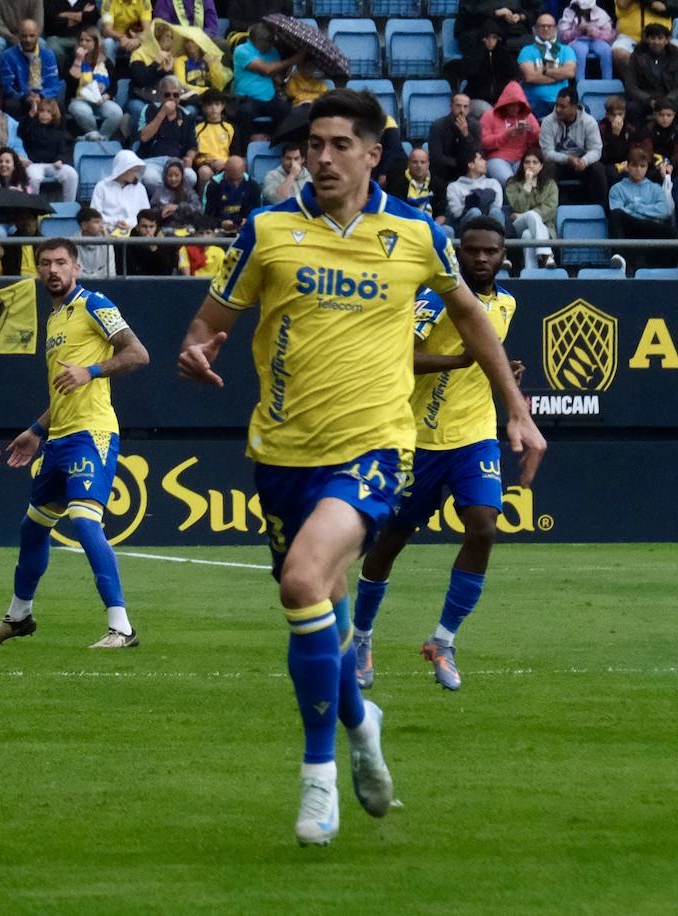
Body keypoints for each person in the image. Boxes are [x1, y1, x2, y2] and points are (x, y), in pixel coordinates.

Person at [177, 89, 544, 847]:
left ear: (374, 153)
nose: (323, 156)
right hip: (281, 451)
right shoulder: (267, 230)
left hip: (377, 445)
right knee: (323, 610)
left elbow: (473, 314)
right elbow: (211, 321)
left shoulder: (414, 232)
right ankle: (360, 722)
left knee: (303, 580)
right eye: (315, 144)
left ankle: (318, 776)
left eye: (341, 144)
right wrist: (195, 349)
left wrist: (517, 408)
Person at [352, 216, 522, 693]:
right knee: (389, 542)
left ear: (504, 255)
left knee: (484, 527)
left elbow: (484, 358)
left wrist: (502, 371)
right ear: (457, 253)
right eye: (473, 251)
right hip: (417, 438)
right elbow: (398, 356)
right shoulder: (433, 299)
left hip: (474, 435)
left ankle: (443, 640)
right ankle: (362, 638)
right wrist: (458, 360)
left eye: (491, 251)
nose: (482, 259)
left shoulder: (507, 303)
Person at [0, 236, 147, 647]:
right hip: (59, 438)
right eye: (46, 263)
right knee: (32, 528)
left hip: (93, 432)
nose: (53, 270)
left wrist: (91, 370)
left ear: (76, 267)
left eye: (61, 263)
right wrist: (37, 430)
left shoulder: (94, 304)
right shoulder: (54, 319)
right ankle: (18, 618)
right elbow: (63, 389)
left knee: (85, 521)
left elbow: (138, 354)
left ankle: (121, 626)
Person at [609, 145, 678, 273]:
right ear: (627, 166)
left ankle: (665, 270)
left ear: (647, 167)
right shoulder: (616, 188)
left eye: (642, 166)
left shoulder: (655, 188)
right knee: (616, 215)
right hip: (630, 227)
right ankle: (619, 257)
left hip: (649, 226)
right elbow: (617, 209)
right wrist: (648, 210)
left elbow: (665, 210)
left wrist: (634, 207)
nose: (638, 170)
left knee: (677, 235)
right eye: (635, 165)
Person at [231, 22, 299, 139]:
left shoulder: (273, 52)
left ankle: (280, 143)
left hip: (270, 98)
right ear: (258, 40)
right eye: (268, 41)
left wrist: (285, 73)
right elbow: (266, 69)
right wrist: (294, 60)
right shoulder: (241, 51)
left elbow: (275, 75)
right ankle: (244, 150)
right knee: (244, 112)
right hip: (247, 99)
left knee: (286, 110)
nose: (271, 44)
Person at [540, 87, 606, 205]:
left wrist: (584, 161)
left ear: (575, 107)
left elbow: (596, 150)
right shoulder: (548, 122)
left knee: (598, 168)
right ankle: (549, 208)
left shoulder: (589, 122)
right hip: (559, 163)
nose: (558, 109)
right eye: (557, 105)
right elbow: (547, 153)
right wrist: (568, 159)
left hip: (581, 164)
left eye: (563, 107)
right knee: (548, 167)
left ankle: (600, 209)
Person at [135, 74, 197, 192]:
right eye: (167, 95)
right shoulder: (149, 109)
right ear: (160, 94)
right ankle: (163, 204)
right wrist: (162, 113)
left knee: (191, 176)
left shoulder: (186, 115)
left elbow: (192, 145)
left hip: (176, 161)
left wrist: (189, 158)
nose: (171, 98)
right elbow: (144, 137)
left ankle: (175, 204)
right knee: (151, 179)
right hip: (152, 160)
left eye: (176, 95)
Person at [624, 23, 678, 125]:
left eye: (660, 38)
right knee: (632, 109)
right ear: (646, 39)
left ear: (666, 40)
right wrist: (649, 100)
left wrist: (667, 101)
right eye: (652, 38)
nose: (656, 42)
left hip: (669, 98)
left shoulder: (676, 57)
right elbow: (631, 86)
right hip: (646, 99)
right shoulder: (636, 57)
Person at [504, 148, 557, 270]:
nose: (530, 165)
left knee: (527, 235)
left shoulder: (550, 185)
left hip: (545, 227)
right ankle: (546, 254)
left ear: (541, 166)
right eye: (527, 162)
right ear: (522, 165)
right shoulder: (513, 183)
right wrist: (527, 184)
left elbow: (550, 209)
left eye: (535, 162)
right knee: (531, 216)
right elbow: (518, 207)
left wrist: (524, 214)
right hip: (518, 225)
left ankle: (530, 272)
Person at [479, 81, 540, 187]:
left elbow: (538, 141)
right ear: (505, 104)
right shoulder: (489, 116)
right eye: (512, 105)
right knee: (508, 181)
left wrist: (531, 133)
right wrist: (506, 135)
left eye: (518, 105)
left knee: (528, 180)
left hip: (521, 158)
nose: (516, 109)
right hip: (497, 158)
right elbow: (483, 143)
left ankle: (526, 202)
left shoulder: (528, 116)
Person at [17, 95, 78, 200]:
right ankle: (33, 208)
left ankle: (69, 205)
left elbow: (64, 149)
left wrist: (60, 160)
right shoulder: (31, 126)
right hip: (34, 164)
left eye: (48, 112)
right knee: (33, 178)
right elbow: (22, 132)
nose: (44, 115)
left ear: (54, 115)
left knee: (72, 174)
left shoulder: (59, 131)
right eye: (42, 111)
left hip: (53, 165)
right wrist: (31, 115)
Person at [427, 93, 481, 210]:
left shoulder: (475, 126)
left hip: (467, 172)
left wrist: (466, 135)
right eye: (458, 106)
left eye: (465, 107)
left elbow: (476, 154)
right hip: (443, 174)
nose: (462, 110)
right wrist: (460, 164)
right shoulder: (438, 126)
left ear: (469, 109)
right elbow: (436, 157)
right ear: (451, 107)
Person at [0, 18, 62, 118]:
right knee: (10, 105)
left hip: (43, 97)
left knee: (58, 105)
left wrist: (41, 96)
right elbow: (7, 86)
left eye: (32, 36)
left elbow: (53, 84)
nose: (28, 40)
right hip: (21, 98)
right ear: (18, 35)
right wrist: (25, 97)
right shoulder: (8, 56)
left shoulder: (48, 54)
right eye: (24, 36)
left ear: (38, 35)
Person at [517, 14, 575, 120]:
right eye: (542, 26)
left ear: (556, 29)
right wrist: (558, 75)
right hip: (536, 103)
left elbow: (570, 72)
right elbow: (530, 77)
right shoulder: (527, 51)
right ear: (535, 29)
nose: (546, 28)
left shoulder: (566, 50)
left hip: (562, 102)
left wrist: (544, 70)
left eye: (549, 26)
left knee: (584, 110)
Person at [67, 26, 120, 141]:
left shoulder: (106, 62)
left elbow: (114, 86)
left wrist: (106, 96)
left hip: (100, 100)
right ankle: (94, 138)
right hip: (79, 100)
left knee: (116, 112)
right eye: (81, 40)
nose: (83, 43)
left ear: (96, 43)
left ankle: (102, 138)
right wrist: (78, 60)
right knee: (84, 111)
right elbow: (70, 86)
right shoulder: (73, 58)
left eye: (87, 40)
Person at [459, 23, 521, 117]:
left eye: (494, 38)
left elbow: (515, 76)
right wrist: (482, 51)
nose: (490, 41)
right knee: (490, 113)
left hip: (501, 99)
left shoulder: (505, 56)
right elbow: (470, 75)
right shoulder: (473, 55)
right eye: (487, 38)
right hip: (477, 99)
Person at [90, 146, 148, 232]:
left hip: (133, 232)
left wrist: (128, 223)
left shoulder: (140, 188)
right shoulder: (102, 186)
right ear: (122, 169)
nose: (135, 174)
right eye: (132, 170)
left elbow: (145, 214)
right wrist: (114, 222)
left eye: (136, 170)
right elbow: (95, 214)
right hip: (106, 231)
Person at [558, 0, 614, 86]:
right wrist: (577, 30)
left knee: (606, 50)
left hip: (597, 40)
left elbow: (610, 34)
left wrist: (596, 32)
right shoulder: (568, 12)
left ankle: (608, 83)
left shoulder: (601, 12)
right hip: (577, 41)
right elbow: (563, 35)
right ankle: (580, 84)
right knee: (581, 51)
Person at [447, 149, 504, 227]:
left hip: (491, 224)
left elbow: (497, 207)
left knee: (496, 212)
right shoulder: (454, 187)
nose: (485, 162)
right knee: (475, 212)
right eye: (480, 159)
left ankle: (498, 238)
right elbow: (457, 213)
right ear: (471, 165)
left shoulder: (493, 183)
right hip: (467, 226)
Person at [202, 153, 258, 232]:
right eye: (231, 179)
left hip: (246, 229)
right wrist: (220, 224)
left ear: (244, 170)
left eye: (238, 179)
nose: (235, 183)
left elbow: (257, 213)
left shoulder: (253, 185)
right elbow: (207, 217)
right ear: (225, 170)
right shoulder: (213, 185)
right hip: (218, 231)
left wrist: (247, 221)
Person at [43, 0, 100, 70]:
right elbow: (52, 22)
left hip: (81, 38)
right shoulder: (51, 2)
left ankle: (84, 76)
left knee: (88, 44)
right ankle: (59, 76)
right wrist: (82, 15)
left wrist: (65, 15)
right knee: (52, 48)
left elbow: (93, 17)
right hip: (57, 37)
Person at [193, 90, 232, 185]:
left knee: (234, 171)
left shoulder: (229, 128)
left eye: (217, 104)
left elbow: (235, 152)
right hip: (206, 165)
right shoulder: (198, 129)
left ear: (222, 106)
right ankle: (203, 199)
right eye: (210, 105)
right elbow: (195, 153)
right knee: (204, 172)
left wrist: (225, 163)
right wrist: (208, 162)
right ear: (204, 108)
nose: (214, 108)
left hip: (225, 164)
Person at [149, 156, 199, 230]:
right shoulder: (159, 192)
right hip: (165, 229)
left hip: (186, 228)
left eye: (177, 175)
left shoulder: (188, 191)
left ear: (182, 175)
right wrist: (163, 210)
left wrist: (177, 207)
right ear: (165, 176)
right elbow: (151, 211)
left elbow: (198, 209)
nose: (173, 179)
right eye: (170, 175)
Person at [123, 207, 177, 275]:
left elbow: (167, 269)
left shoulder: (165, 243)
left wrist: (154, 249)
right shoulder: (129, 244)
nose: (148, 230)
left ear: (156, 227)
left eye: (151, 226)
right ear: (137, 227)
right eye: (144, 226)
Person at [387, 146, 436, 220]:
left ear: (428, 164)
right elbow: (396, 212)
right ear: (408, 164)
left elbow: (441, 214)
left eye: (422, 162)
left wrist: (433, 227)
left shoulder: (437, 183)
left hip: (431, 225)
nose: (419, 166)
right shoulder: (397, 184)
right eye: (414, 162)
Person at [72, 204, 115, 276]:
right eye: (96, 222)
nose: (101, 226)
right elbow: (73, 272)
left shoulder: (107, 244)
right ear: (84, 225)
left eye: (101, 222)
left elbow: (111, 272)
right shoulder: (71, 244)